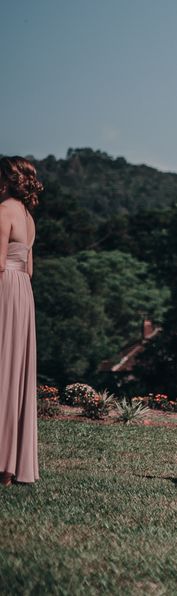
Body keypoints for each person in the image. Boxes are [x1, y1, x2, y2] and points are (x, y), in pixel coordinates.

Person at [0, 157, 41, 486]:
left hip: (4, 289)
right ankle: (11, 468)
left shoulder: (3, 211)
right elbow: (27, 269)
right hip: (23, 294)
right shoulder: (28, 217)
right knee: (16, 373)